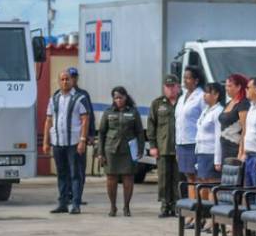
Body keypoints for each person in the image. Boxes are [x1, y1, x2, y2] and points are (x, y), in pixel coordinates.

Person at [43, 70, 89, 214]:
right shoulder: (54, 99)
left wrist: (82, 140)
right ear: (58, 81)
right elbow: (48, 120)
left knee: (75, 174)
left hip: (74, 142)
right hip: (58, 142)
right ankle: (62, 203)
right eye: (62, 79)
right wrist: (46, 142)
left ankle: (75, 204)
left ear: (72, 81)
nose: (65, 82)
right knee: (61, 174)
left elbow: (85, 119)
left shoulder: (80, 98)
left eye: (67, 79)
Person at [97, 86, 145, 217]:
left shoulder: (133, 112)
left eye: (121, 97)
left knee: (128, 178)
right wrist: (100, 152)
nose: (118, 100)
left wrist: (140, 149)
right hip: (111, 149)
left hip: (129, 150)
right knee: (111, 178)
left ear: (126, 97)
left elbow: (139, 132)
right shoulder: (108, 112)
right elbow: (101, 133)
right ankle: (113, 207)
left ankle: (126, 207)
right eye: (116, 98)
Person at [192, 82, 225, 227]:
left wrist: (218, 159)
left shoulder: (218, 111)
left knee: (212, 186)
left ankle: (213, 219)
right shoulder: (206, 110)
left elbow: (219, 137)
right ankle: (203, 216)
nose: (204, 95)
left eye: (207, 93)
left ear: (216, 95)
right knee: (202, 185)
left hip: (212, 152)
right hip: (202, 152)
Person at [148, 74, 180, 218]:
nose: (171, 89)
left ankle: (177, 205)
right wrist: (153, 145)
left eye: (173, 86)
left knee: (178, 178)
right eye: (168, 87)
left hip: (180, 147)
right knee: (163, 178)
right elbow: (151, 125)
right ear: (164, 88)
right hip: (163, 147)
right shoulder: (157, 104)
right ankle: (165, 205)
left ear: (178, 87)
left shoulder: (184, 101)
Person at [175, 66, 207, 199]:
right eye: (184, 78)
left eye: (188, 78)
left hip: (194, 142)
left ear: (196, 80)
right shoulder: (182, 97)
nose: (185, 81)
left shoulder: (201, 97)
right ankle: (191, 211)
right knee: (189, 177)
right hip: (182, 141)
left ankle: (201, 208)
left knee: (199, 177)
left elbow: (205, 118)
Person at [65, 67, 95, 205]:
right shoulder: (61, 94)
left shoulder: (83, 95)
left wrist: (90, 134)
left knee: (79, 169)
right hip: (65, 139)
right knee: (67, 169)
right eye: (71, 76)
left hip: (80, 138)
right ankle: (68, 195)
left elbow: (90, 116)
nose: (73, 79)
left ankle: (77, 196)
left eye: (75, 76)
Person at [216, 74, 250, 172]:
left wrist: (241, 151)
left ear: (239, 87)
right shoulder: (228, 103)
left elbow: (245, 128)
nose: (227, 88)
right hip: (225, 148)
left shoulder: (243, 104)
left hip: (235, 147)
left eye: (230, 86)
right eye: (226, 86)